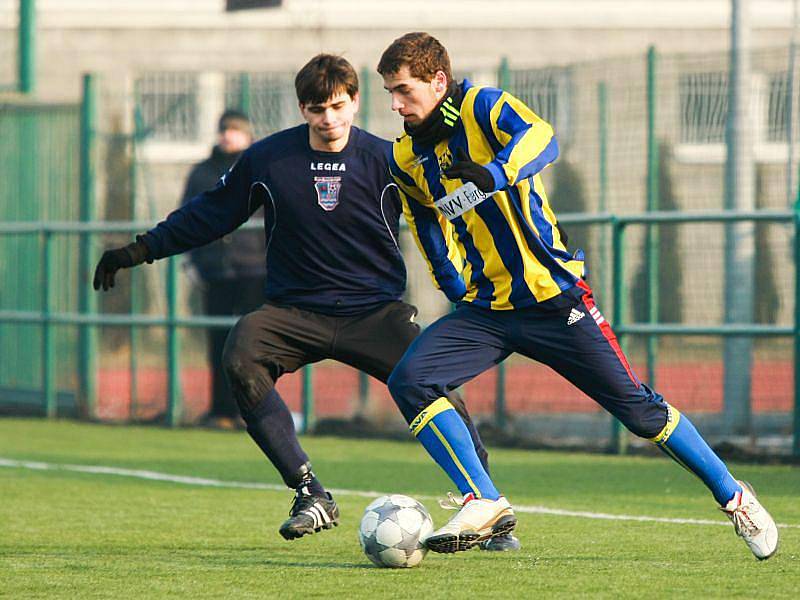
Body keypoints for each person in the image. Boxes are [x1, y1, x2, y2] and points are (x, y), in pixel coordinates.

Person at [377, 32, 779, 558]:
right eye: (389, 92)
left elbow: (542, 137)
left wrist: (495, 173)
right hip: (487, 309)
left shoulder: (482, 105)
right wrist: (455, 289)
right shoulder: (407, 156)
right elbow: (426, 224)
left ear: (437, 81)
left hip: (554, 300)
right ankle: (485, 499)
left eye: (403, 90)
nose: (395, 104)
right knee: (411, 379)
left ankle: (735, 497)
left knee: (640, 413)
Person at [92, 54, 515, 549]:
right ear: (302, 109)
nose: (328, 119)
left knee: (434, 386)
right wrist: (141, 249)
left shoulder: (389, 160)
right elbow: (210, 214)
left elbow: (445, 213)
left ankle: (485, 509)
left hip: (374, 313)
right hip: (295, 312)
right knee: (241, 354)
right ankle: (310, 493)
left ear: (355, 102)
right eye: (317, 109)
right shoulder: (268, 160)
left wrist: (486, 257)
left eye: (338, 106)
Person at [180, 109, 264, 429]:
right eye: (225, 129)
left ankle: (254, 411)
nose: (229, 135)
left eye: (236, 129)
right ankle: (221, 411)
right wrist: (195, 259)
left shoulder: (262, 167)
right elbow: (188, 216)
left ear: (248, 134)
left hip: (256, 270)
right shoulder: (202, 173)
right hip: (216, 271)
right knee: (219, 343)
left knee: (253, 345)